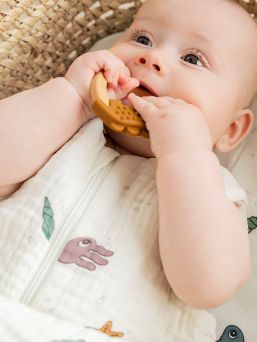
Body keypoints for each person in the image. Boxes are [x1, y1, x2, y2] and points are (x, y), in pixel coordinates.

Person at [0, 0, 257, 322]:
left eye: (193, 59)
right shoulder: (58, 131)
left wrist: (185, 153)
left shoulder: (213, 192)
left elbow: (208, 286)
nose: (151, 56)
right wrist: (73, 94)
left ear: (232, 130)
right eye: (142, 39)